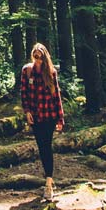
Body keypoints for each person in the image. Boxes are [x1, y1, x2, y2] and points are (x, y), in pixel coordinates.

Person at [19, 42, 65, 199]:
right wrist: (27, 112)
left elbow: (56, 96)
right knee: (42, 147)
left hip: (50, 115)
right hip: (36, 117)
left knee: (47, 146)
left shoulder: (51, 72)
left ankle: (48, 183)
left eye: (40, 57)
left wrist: (60, 118)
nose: (37, 60)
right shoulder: (27, 71)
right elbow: (23, 93)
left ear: (45, 57)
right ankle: (49, 180)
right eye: (35, 56)